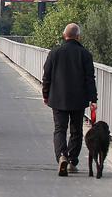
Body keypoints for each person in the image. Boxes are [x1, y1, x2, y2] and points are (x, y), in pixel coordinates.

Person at [42, 23, 98, 176]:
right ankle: (72, 161)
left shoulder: (54, 53)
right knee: (76, 131)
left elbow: (46, 76)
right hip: (78, 100)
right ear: (78, 37)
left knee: (60, 129)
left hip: (58, 98)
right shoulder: (85, 54)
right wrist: (93, 99)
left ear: (64, 35)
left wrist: (46, 94)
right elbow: (90, 79)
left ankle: (62, 156)